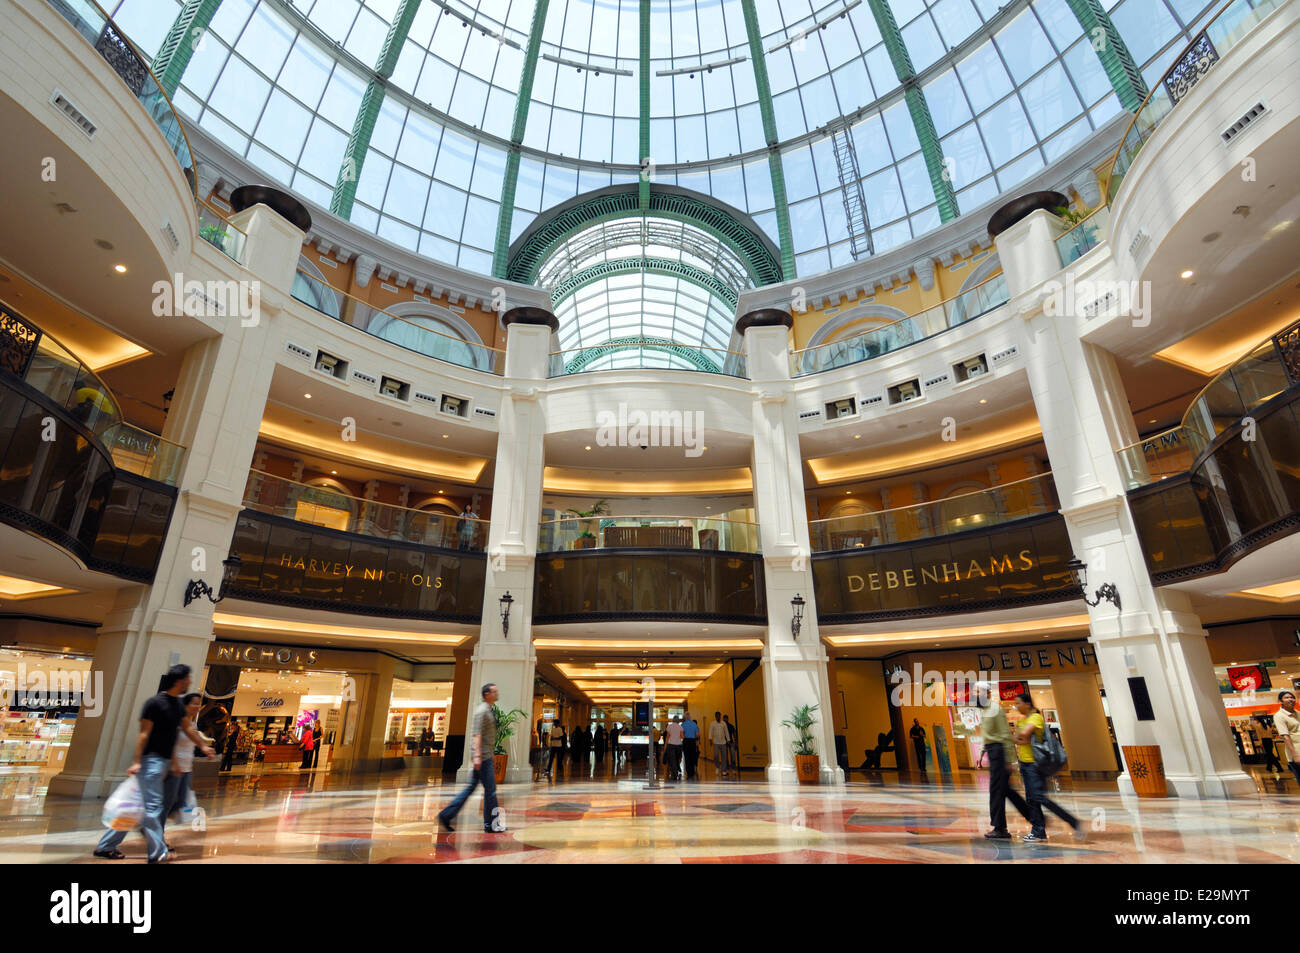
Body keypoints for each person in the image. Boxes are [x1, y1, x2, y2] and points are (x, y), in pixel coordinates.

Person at [94, 664, 214, 863]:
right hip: (151, 762)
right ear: (180, 680)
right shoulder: (154, 703)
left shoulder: (177, 705)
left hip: (165, 762)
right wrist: (136, 761)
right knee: (152, 808)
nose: (190, 682)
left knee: (138, 808)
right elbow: (144, 734)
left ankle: (106, 846)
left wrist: (203, 746)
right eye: (188, 679)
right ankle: (158, 852)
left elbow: (188, 730)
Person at [1012, 693, 1083, 843]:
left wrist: (1020, 736)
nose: (1016, 706)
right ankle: (1038, 832)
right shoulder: (1023, 720)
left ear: (1027, 704)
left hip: (1035, 764)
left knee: (1038, 797)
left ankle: (1073, 821)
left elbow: (1022, 736)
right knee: (1032, 799)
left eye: (1018, 703)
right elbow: (1017, 739)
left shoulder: (1035, 718)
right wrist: (1020, 737)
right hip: (1024, 764)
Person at [438, 683, 502, 833]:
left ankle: (446, 815)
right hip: (483, 757)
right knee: (491, 791)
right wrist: (478, 756)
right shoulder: (482, 711)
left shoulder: (488, 710)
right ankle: (491, 825)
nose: (497, 693)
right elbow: (477, 734)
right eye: (494, 691)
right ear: (487, 694)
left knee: (471, 788)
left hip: (485, 756)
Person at [977, 687, 1031, 840]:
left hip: (999, 752)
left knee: (997, 791)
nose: (974, 695)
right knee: (1004, 790)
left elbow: (1005, 735)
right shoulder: (986, 711)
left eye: (978, 692)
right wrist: (982, 752)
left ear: (987, 693)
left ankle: (1000, 828)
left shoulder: (995, 710)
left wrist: (1009, 759)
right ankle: (1032, 816)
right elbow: (987, 735)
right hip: (993, 752)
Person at [163, 693, 211, 845]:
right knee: (167, 803)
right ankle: (156, 832)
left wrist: (204, 747)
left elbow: (193, 743)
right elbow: (170, 744)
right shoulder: (178, 722)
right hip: (174, 768)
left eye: (199, 704)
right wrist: (175, 763)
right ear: (185, 705)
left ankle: (153, 825)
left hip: (186, 769)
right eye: (194, 703)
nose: (197, 707)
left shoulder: (192, 724)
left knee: (180, 801)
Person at [1273, 691, 1300, 784]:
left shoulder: (1297, 713)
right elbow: (1285, 736)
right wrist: (1295, 755)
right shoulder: (1279, 716)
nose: (1290, 699)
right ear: (1280, 701)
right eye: (1287, 697)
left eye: (1292, 697)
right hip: (1297, 752)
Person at [708, 711, 731, 778]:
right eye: (717, 716)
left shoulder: (723, 723)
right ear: (715, 716)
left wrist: (728, 740)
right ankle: (717, 767)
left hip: (723, 742)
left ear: (720, 716)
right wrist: (710, 739)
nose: (718, 717)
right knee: (716, 755)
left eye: (719, 716)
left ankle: (723, 770)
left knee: (724, 756)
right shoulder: (712, 724)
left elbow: (726, 732)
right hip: (716, 742)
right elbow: (710, 731)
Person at [681, 710, 700, 780]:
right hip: (692, 742)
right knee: (692, 756)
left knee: (687, 757)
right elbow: (697, 735)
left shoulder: (682, 725)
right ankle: (692, 772)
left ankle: (689, 773)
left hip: (686, 741)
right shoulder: (694, 724)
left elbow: (682, 736)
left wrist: (686, 736)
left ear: (685, 717)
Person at [664, 716, 684, 781]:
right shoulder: (680, 727)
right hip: (679, 745)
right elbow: (682, 736)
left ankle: (674, 773)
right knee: (678, 758)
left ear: (673, 720)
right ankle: (677, 769)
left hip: (671, 745)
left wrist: (665, 745)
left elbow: (667, 737)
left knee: (672, 760)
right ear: (678, 720)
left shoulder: (669, 726)